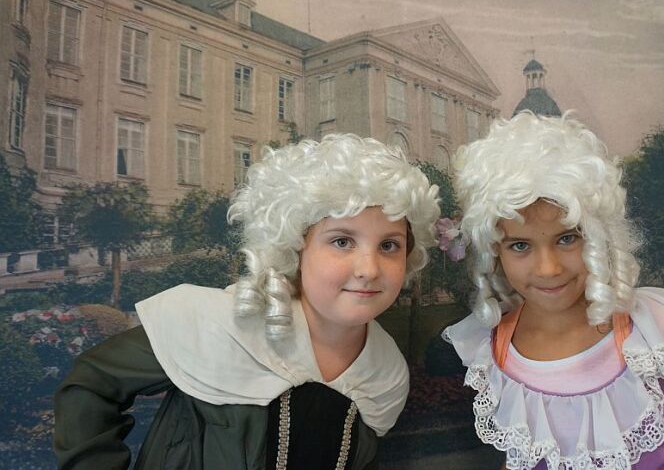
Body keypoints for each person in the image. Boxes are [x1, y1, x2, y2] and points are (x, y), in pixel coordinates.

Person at [54, 133, 440, 470]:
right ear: (295, 246)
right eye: (342, 241)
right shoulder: (220, 323)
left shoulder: (386, 372)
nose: (369, 269)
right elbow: (92, 383)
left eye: (389, 246)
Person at [443, 112, 664, 470]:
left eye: (567, 238)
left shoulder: (659, 331)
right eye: (520, 246)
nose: (548, 268)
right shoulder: (493, 351)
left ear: (599, 234)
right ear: (495, 251)